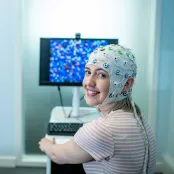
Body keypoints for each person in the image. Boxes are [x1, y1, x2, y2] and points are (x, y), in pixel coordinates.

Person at [39, 44, 156, 174]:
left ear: (126, 84)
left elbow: (57, 156)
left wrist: (46, 145)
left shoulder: (103, 130)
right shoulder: (138, 117)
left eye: (101, 75)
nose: (89, 82)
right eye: (88, 72)